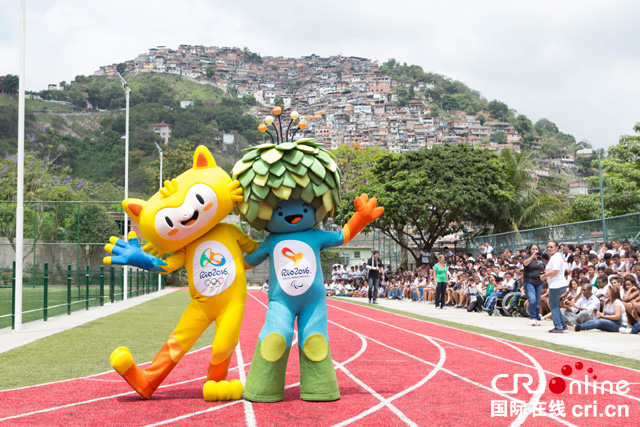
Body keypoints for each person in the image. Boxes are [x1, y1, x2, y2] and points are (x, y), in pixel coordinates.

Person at [542, 240, 567, 333]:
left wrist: (544, 276)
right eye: (548, 247)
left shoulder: (556, 257)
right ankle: (562, 324)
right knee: (554, 305)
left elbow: (555, 270)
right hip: (556, 284)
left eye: (551, 247)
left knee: (553, 305)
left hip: (556, 285)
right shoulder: (554, 257)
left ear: (557, 248)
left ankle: (558, 326)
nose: (549, 248)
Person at [523, 244, 545, 326]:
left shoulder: (540, 259)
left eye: (536, 249)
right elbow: (525, 264)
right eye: (533, 249)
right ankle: (532, 317)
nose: (535, 250)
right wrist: (532, 256)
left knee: (538, 301)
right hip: (529, 281)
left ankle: (536, 317)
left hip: (539, 282)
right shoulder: (527, 257)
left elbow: (543, 268)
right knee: (532, 299)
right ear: (530, 250)